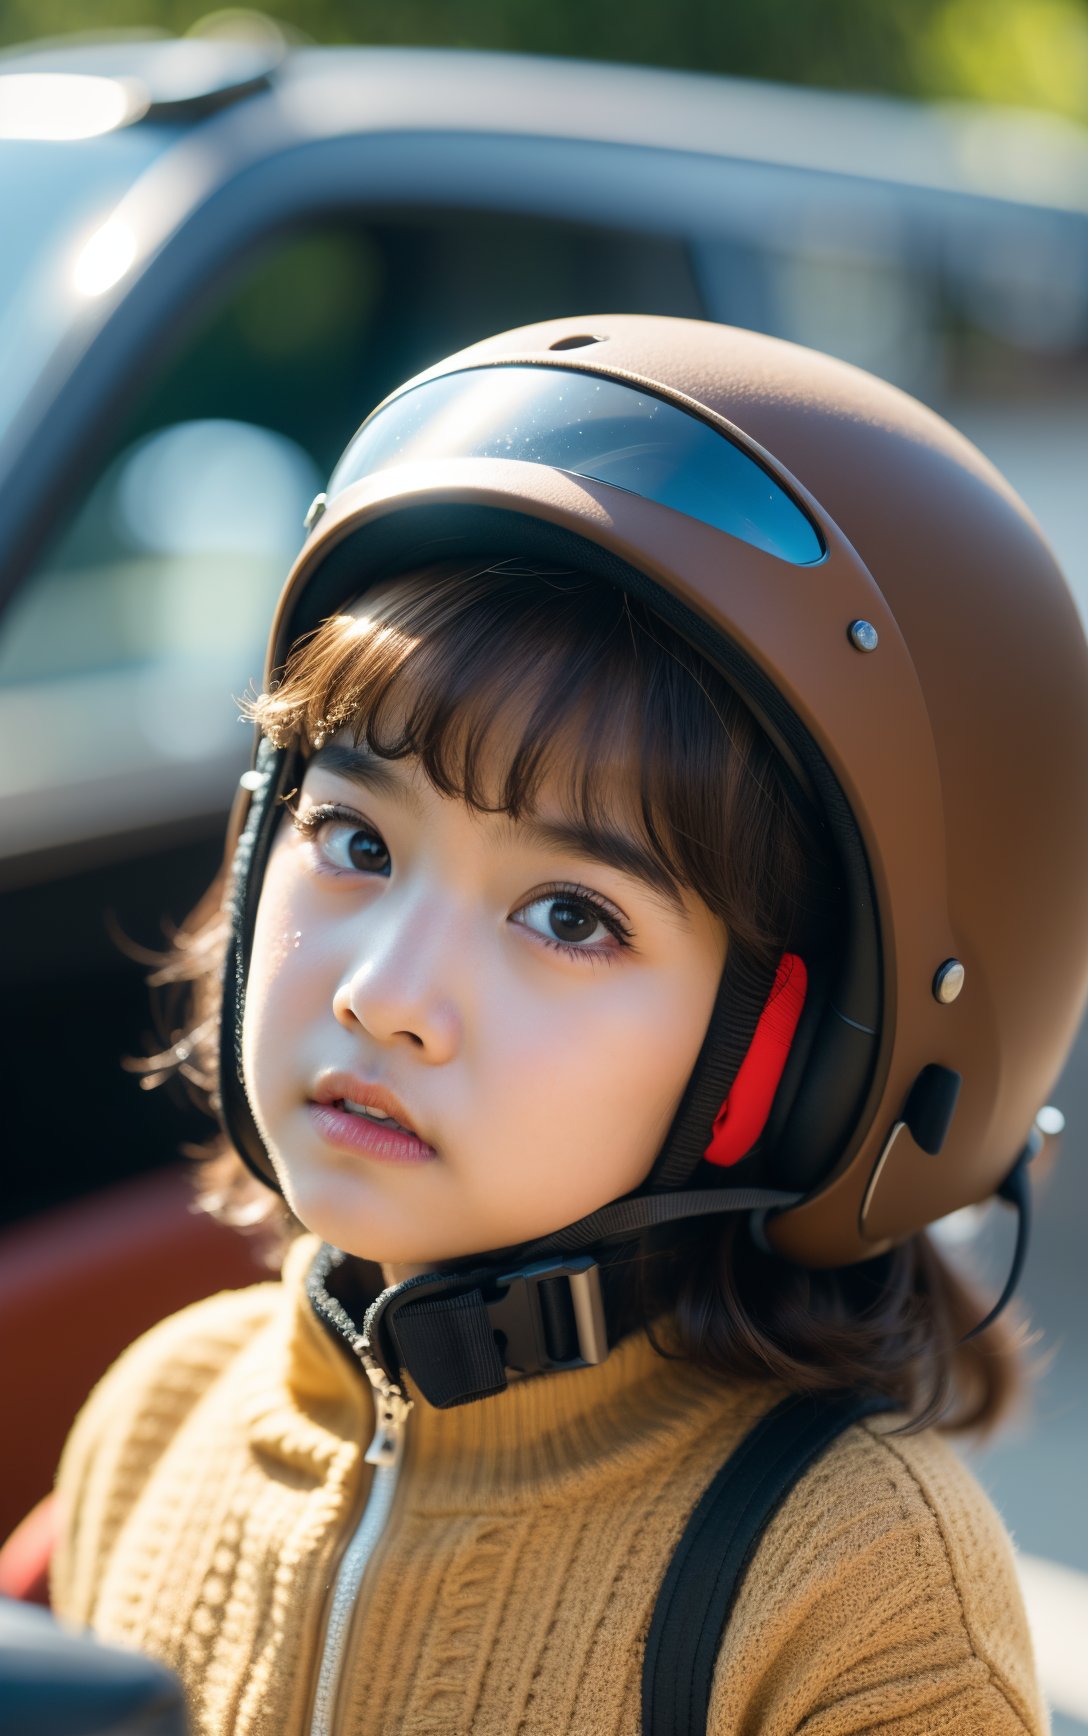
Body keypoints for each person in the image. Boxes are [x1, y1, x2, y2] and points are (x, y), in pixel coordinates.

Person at [50, 315, 1088, 1736]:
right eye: (353, 838)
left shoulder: (854, 1591)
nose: (385, 996)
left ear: (795, 1063)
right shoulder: (158, 1422)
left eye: (571, 919)